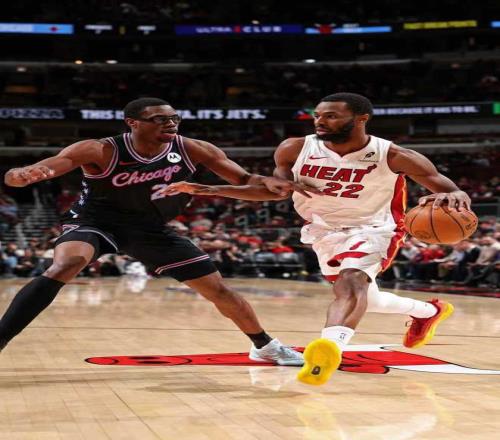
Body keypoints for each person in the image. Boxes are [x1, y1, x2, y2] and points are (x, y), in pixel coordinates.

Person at [165, 92, 471, 385]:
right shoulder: (294, 149)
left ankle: (329, 348)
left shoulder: (393, 155)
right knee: (368, 299)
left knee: (351, 282)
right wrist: (209, 189)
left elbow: (447, 188)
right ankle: (429, 311)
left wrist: (457, 195)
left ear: (361, 119)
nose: (320, 121)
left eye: (331, 116)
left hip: (374, 227)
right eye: (317, 115)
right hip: (323, 230)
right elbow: (272, 191)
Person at [0, 97, 308, 366]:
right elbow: (50, 165)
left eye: (174, 118)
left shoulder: (192, 148)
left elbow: (244, 180)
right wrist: (20, 175)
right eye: (159, 119)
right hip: (95, 221)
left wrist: (267, 182)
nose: (170, 123)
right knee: (68, 263)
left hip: (150, 228)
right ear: (132, 123)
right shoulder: (100, 149)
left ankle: (265, 347)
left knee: (218, 290)